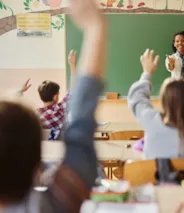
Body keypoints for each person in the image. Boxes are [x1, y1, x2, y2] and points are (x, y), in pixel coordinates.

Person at [0, 0, 106, 211]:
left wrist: (20, 92)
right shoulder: (58, 200)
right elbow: (79, 106)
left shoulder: (37, 114)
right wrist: (96, 27)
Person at [128, 49, 184, 160]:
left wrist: (146, 73)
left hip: (155, 177)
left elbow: (137, 98)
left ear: (163, 100)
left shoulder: (151, 122)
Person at [36, 50, 77, 132]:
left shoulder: (36, 115)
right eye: (58, 94)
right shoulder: (58, 110)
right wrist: (72, 65)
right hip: (60, 144)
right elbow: (74, 89)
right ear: (55, 96)